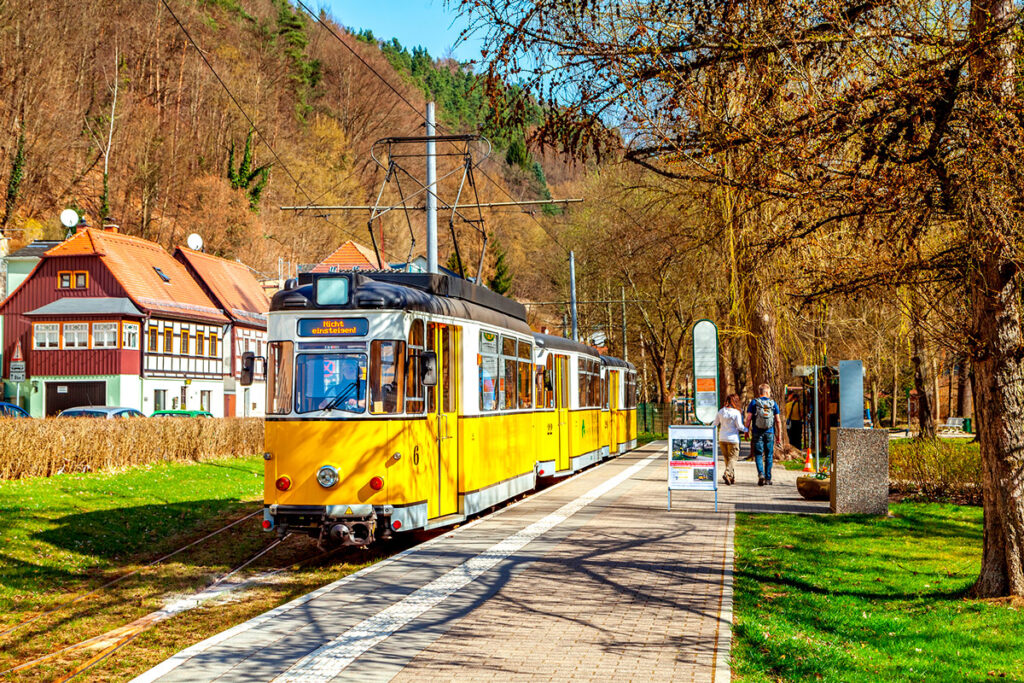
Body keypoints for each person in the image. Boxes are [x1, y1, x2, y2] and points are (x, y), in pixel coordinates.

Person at [744, 383, 783, 486]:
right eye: (769, 392)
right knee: (769, 455)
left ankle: (761, 474)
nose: (770, 394)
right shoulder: (773, 403)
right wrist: (779, 435)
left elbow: (748, 418)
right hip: (770, 432)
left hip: (757, 432)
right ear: (767, 392)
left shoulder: (754, 402)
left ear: (760, 392)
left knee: (758, 454)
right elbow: (778, 421)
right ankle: (768, 479)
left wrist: (746, 431)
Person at [712, 393, 747, 485]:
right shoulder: (736, 412)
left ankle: (731, 478)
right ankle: (727, 473)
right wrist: (747, 429)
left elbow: (715, 424)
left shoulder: (721, 411)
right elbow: (739, 426)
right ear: (736, 401)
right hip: (733, 439)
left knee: (727, 459)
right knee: (733, 458)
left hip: (722, 438)